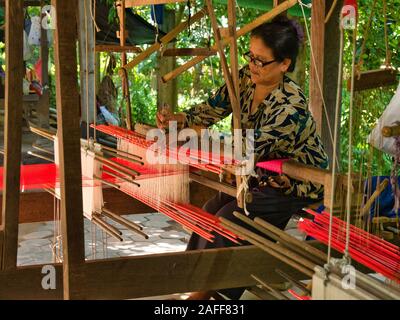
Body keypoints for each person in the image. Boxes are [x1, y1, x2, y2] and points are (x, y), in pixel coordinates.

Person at [156, 16, 329, 300]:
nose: (253, 65)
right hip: (260, 174)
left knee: (232, 219)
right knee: (212, 208)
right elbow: (213, 108)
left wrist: (199, 145)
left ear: (284, 64)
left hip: (295, 182)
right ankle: (194, 276)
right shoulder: (246, 79)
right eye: (251, 57)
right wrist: (179, 120)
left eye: (261, 61)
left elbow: (251, 145)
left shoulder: (292, 105)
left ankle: (212, 294)